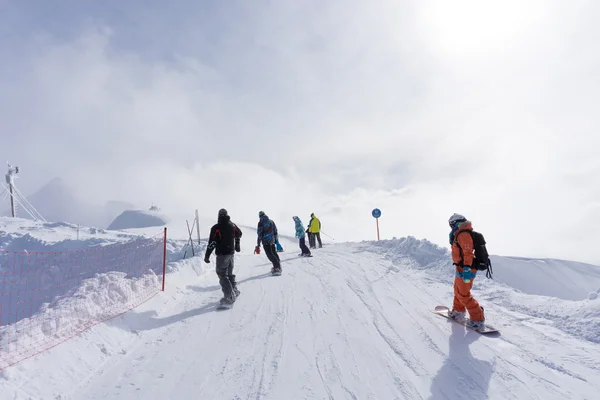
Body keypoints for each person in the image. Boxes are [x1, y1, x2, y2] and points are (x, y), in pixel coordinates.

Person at [448, 213, 485, 329]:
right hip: (461, 267)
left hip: (466, 268)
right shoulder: (459, 233)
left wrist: (467, 269)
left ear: (456, 223)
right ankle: (458, 311)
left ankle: (477, 318)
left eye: (451, 225)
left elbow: (468, 252)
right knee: (457, 291)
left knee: (463, 294)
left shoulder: (463, 234)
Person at [204, 208, 243, 306]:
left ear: (218, 216)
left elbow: (212, 243)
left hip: (222, 254)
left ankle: (229, 297)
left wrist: (207, 255)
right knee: (229, 273)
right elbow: (239, 233)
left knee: (221, 274)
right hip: (231, 253)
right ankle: (234, 290)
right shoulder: (232, 225)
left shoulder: (216, 227)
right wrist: (237, 243)